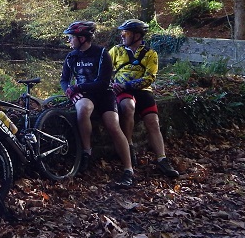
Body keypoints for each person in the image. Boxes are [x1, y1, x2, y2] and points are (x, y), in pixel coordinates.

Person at [60, 20, 136, 188]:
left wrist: (77, 87)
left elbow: (103, 82)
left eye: (71, 37)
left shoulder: (101, 54)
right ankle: (86, 152)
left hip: (104, 94)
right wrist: (69, 91)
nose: (69, 41)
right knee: (83, 109)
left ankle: (128, 169)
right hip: (85, 95)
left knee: (113, 125)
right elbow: (64, 80)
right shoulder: (71, 56)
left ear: (82, 38)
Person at [109, 19, 180, 179]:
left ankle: (162, 159)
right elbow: (104, 70)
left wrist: (128, 85)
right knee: (128, 106)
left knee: (153, 121)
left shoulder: (150, 54)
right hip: (121, 91)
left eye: (126, 33)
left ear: (137, 35)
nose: (122, 35)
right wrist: (112, 84)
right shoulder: (116, 51)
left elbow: (150, 78)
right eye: (123, 32)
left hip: (142, 90)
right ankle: (129, 146)